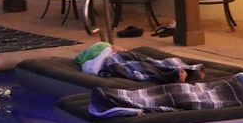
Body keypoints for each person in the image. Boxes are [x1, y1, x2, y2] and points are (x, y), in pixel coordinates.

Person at [89, 63, 243, 118]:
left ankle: (118, 104)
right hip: (211, 89)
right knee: (174, 90)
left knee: (179, 97)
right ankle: (118, 99)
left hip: (216, 99)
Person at [75, 42, 207, 84]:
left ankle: (181, 71)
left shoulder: (115, 53)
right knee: (147, 68)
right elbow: (92, 70)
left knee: (152, 64)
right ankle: (176, 74)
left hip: (121, 59)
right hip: (115, 61)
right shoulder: (94, 60)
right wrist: (108, 51)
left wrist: (119, 51)